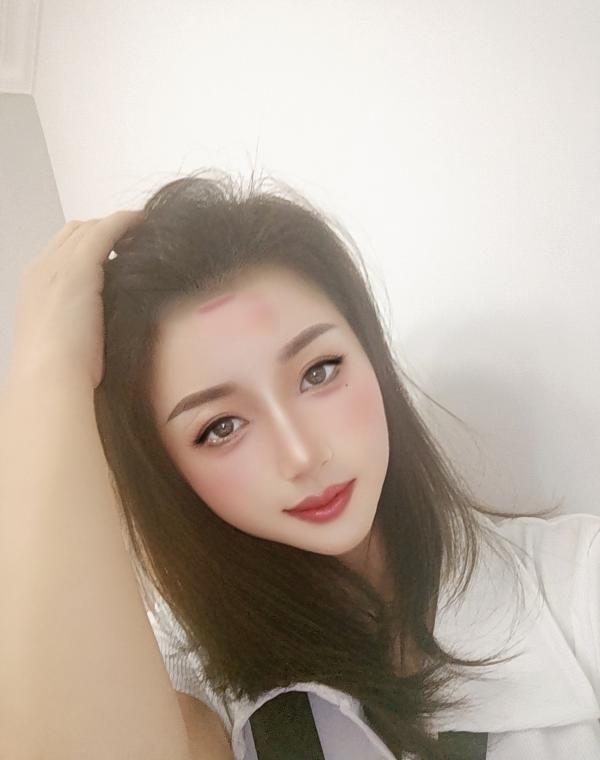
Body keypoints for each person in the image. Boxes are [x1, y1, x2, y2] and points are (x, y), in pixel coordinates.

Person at [2, 169, 599, 760]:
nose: (302, 455)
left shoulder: (575, 585)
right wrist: (48, 376)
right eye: (221, 427)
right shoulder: (188, 687)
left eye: (319, 371)